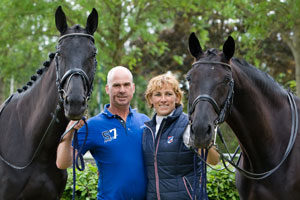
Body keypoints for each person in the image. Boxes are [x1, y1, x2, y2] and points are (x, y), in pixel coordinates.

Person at [56, 66, 149, 200]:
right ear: (107, 89)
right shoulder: (92, 126)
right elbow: (62, 163)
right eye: (116, 85)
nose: (122, 90)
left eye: (126, 85)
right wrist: (69, 131)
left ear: (133, 88)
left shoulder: (145, 121)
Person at [142, 73, 219, 200]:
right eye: (157, 94)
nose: (163, 99)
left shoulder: (188, 125)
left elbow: (213, 160)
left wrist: (207, 143)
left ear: (177, 98)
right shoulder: (147, 130)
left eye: (168, 94)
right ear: (150, 99)